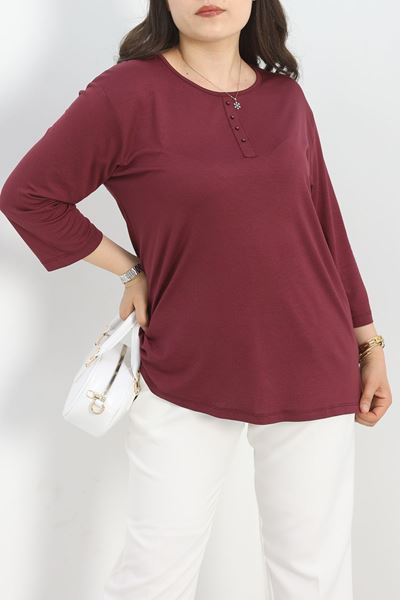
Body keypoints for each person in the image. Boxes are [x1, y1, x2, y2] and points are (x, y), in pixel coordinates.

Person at [0, 1, 393, 598]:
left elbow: (325, 228)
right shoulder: (124, 95)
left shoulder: (286, 99)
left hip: (313, 357)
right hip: (186, 364)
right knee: (153, 577)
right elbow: (28, 196)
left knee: (314, 579)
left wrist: (369, 343)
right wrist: (130, 269)